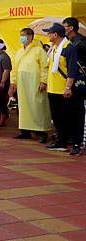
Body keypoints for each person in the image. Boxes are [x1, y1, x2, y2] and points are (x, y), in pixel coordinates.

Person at [43, 23, 83, 155]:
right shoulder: (54, 48)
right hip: (53, 89)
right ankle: (61, 141)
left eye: (49, 33)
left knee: (72, 117)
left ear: (55, 35)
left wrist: (68, 87)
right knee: (58, 118)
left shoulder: (68, 48)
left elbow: (72, 70)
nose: (47, 35)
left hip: (65, 90)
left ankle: (76, 143)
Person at [9, 28, 51, 144]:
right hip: (22, 84)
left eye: (24, 35)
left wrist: (43, 81)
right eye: (20, 35)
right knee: (23, 107)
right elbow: (14, 68)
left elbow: (44, 67)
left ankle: (41, 132)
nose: (22, 37)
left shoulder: (39, 50)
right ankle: (25, 130)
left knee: (37, 106)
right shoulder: (19, 51)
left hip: (35, 82)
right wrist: (13, 82)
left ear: (31, 36)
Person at [62, 17, 86, 150]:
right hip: (69, 80)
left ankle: (78, 140)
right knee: (69, 110)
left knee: (77, 111)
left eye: (64, 26)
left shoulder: (80, 42)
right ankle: (71, 136)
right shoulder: (68, 42)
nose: (63, 28)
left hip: (78, 82)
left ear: (71, 28)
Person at [0, 39, 12, 126]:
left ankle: (3, 117)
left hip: (1, 82)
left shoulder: (4, 57)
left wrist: (3, 82)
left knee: (1, 100)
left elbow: (6, 70)